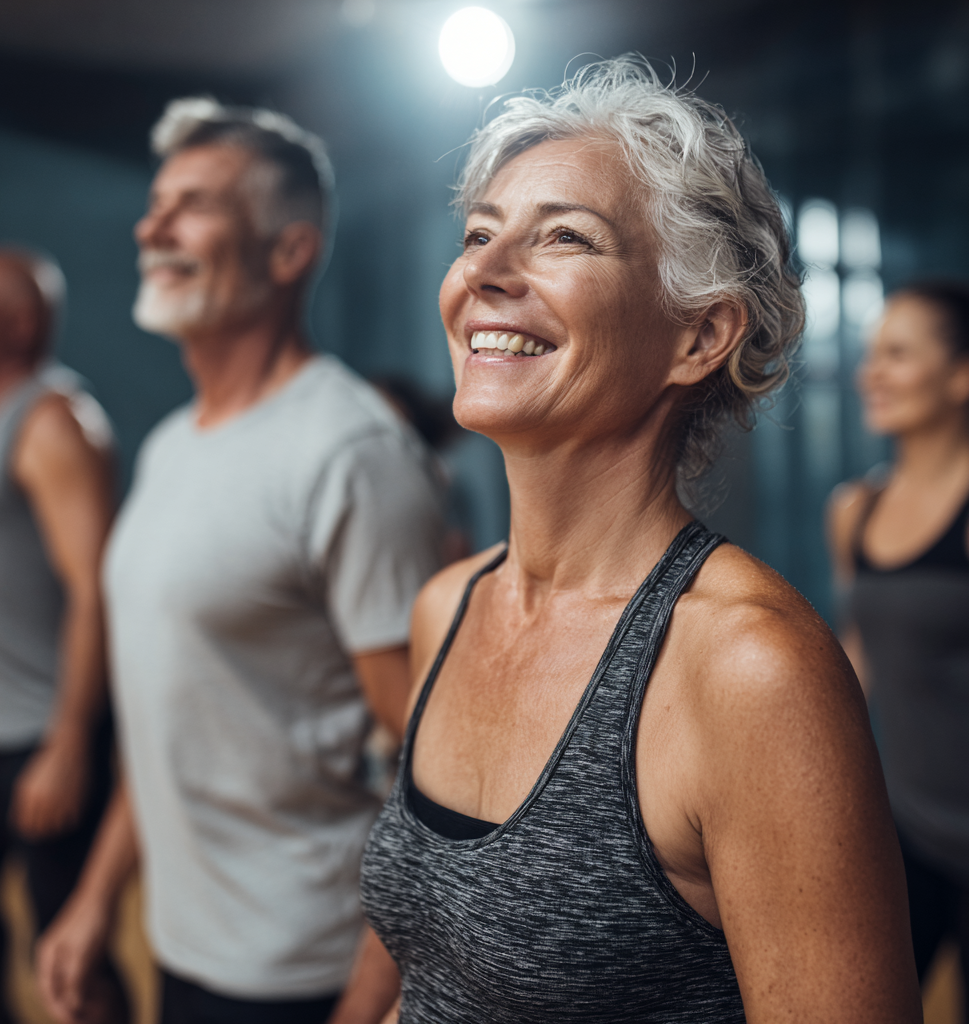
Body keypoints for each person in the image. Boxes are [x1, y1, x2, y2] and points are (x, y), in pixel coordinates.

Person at [355, 58, 922, 1023]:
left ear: (699, 338)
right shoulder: (446, 605)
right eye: (479, 234)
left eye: (565, 237)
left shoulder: (749, 669)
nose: (484, 274)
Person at [36, 99, 443, 1024]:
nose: (153, 226)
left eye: (194, 204)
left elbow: (434, 776)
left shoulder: (353, 454)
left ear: (289, 250)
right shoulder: (175, 444)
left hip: (306, 971)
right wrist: (97, 899)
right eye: (155, 204)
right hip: (182, 944)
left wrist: (365, 1007)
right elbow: (176, 710)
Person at [0, 248, 124, 1023]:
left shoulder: (51, 419)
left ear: (20, 323)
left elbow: (96, 588)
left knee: (67, 950)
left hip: (47, 738)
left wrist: (68, 744)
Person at [829, 282, 969, 1012]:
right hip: (909, 827)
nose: (870, 373)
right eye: (871, 353)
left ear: (961, 374)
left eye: (898, 354)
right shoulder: (855, 511)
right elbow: (861, 656)